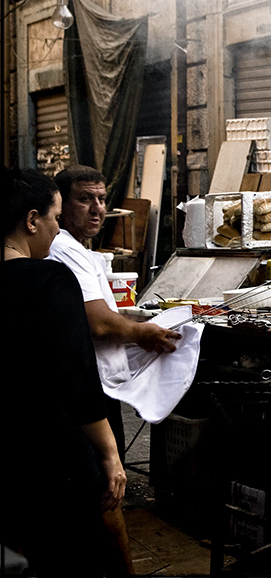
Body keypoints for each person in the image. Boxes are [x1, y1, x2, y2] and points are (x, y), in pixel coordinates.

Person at [48, 165, 180, 574]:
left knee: (100, 489)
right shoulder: (63, 250)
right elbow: (100, 323)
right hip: (88, 393)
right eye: (85, 199)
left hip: (97, 386)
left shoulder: (81, 250)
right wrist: (142, 332)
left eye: (102, 199)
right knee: (107, 487)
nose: (97, 208)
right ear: (60, 204)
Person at [1, 166, 127, 575]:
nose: (57, 233)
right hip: (47, 446)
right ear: (32, 220)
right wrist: (109, 453)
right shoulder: (49, 278)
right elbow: (77, 377)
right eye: (54, 219)